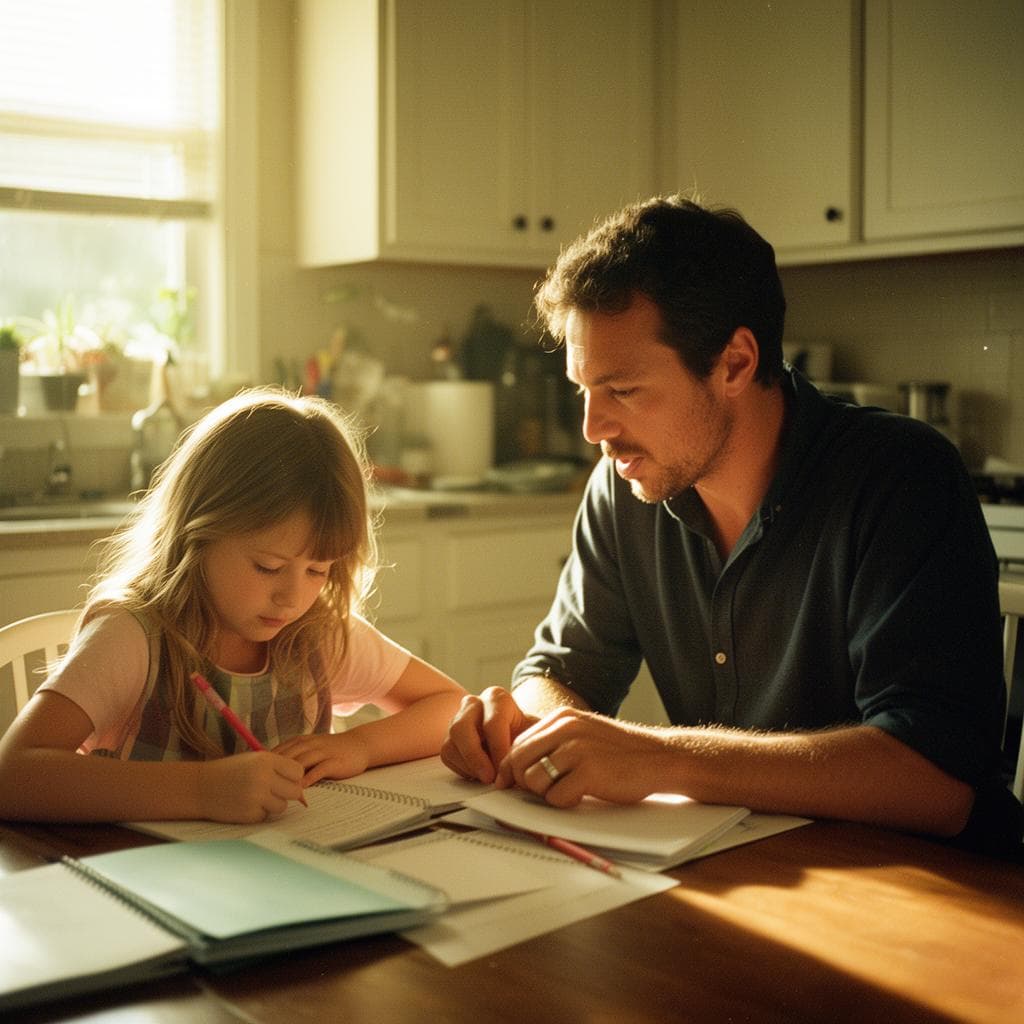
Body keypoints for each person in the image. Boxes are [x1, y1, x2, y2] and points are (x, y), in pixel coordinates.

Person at [441, 194, 1023, 856]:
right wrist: (529, 723)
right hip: (747, 868)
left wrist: (662, 758)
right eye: (584, 390)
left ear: (736, 364)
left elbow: (937, 781)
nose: (592, 430)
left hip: (937, 891)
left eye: (624, 391)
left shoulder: (900, 477)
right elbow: (561, 671)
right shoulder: (625, 482)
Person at [0, 388, 466, 824]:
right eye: (267, 567)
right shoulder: (134, 638)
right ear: (196, 536)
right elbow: (12, 776)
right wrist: (202, 791)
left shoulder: (316, 636)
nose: (292, 597)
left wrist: (360, 745)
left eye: (318, 570)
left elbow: (452, 705)